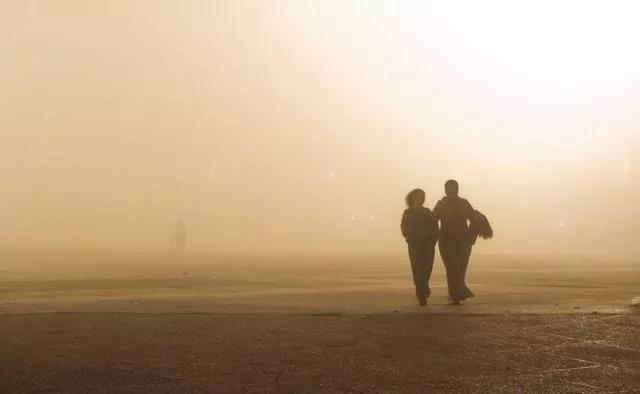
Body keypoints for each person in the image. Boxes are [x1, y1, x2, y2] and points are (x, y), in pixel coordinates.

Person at [434, 180, 475, 305]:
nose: (451, 191)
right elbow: (432, 220)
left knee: (461, 268)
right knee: (452, 267)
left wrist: (471, 237)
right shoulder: (441, 204)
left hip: (463, 241)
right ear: (446, 190)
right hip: (446, 241)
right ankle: (456, 295)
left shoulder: (463, 203)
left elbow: (473, 218)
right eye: (449, 189)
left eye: (453, 188)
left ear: (457, 189)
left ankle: (457, 294)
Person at [401, 189, 439, 306]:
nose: (421, 199)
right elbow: (404, 228)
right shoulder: (408, 213)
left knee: (427, 268)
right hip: (415, 245)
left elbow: (435, 228)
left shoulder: (428, 212)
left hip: (427, 245)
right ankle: (421, 293)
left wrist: (429, 235)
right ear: (413, 198)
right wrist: (414, 236)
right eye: (418, 197)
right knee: (417, 269)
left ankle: (423, 288)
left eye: (422, 197)